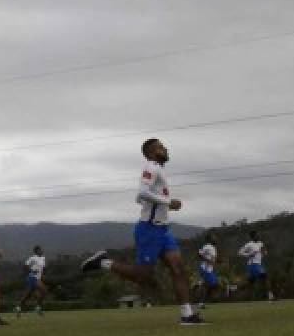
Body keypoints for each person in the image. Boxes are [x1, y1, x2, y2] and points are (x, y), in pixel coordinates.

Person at [81, 138, 205, 324]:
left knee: (178, 269)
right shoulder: (151, 167)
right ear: (150, 153)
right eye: (160, 147)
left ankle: (187, 315)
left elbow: (141, 199)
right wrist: (168, 202)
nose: (165, 149)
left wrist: (164, 206)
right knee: (142, 275)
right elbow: (142, 193)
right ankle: (103, 263)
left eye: (164, 146)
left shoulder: (159, 171)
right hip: (149, 230)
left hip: (163, 230)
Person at [237, 231, 275, 302]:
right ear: (253, 236)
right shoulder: (249, 244)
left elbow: (264, 250)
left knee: (250, 283)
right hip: (253, 265)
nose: (258, 236)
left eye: (258, 235)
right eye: (257, 235)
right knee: (265, 276)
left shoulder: (260, 243)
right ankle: (270, 296)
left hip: (258, 264)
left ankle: (234, 288)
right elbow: (239, 252)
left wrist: (264, 252)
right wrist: (249, 255)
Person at [16, 245, 48, 317]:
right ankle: (38, 307)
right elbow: (25, 265)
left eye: (42, 250)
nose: (42, 251)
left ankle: (18, 307)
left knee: (28, 295)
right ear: (36, 251)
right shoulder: (32, 258)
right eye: (40, 250)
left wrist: (43, 274)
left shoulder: (43, 258)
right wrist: (31, 271)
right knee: (44, 290)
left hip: (38, 278)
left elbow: (44, 268)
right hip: (32, 277)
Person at [196, 233, 220, 309]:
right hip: (205, 269)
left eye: (215, 238)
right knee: (213, 285)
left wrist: (218, 261)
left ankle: (202, 301)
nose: (215, 239)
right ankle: (201, 301)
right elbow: (199, 254)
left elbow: (213, 259)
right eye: (214, 238)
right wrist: (207, 260)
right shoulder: (207, 246)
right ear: (210, 239)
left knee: (214, 285)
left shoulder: (213, 248)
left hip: (209, 269)